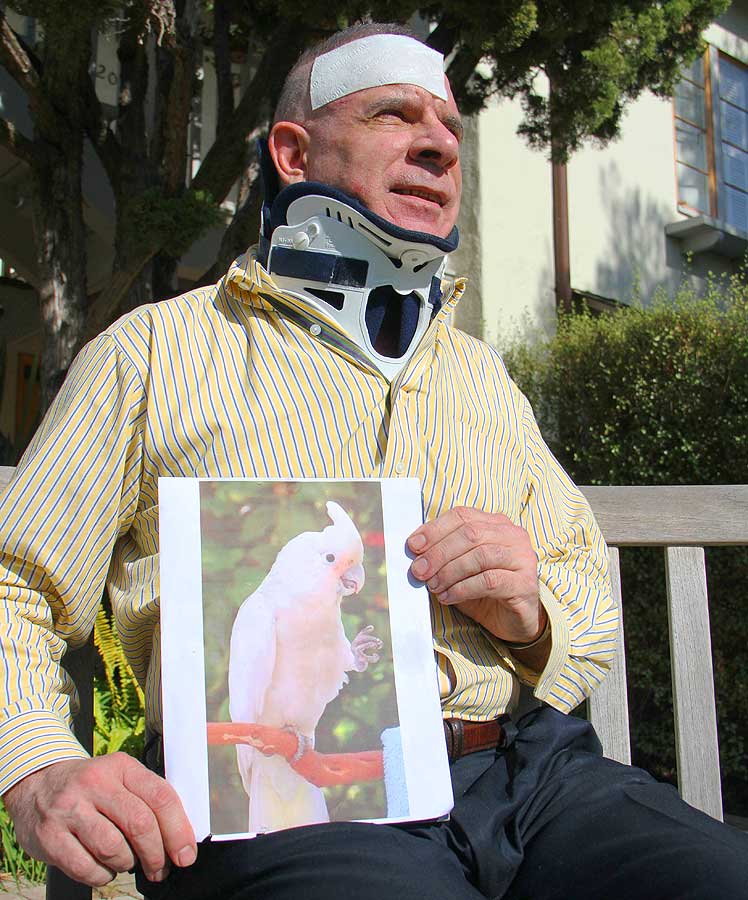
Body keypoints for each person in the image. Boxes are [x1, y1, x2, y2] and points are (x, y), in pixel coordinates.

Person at [1, 21, 747, 900]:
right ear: (291, 151)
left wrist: (530, 611)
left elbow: (582, 578)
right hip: (287, 810)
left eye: (451, 132)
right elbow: (12, 586)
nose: (438, 144)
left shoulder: (481, 379)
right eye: (395, 114)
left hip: (531, 776)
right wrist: (36, 765)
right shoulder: (153, 353)